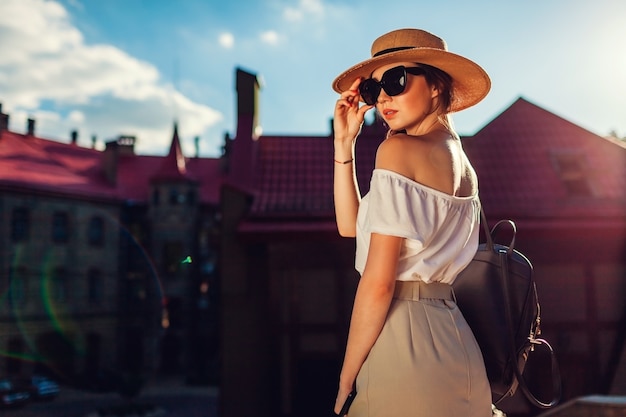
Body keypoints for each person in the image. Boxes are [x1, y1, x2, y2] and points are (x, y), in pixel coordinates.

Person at [331, 28, 492, 417]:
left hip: (402, 343)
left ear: (436, 86)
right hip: (457, 342)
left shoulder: (398, 150)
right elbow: (352, 227)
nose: (383, 96)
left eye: (396, 80)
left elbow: (379, 281)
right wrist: (344, 145)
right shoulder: (462, 164)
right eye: (373, 89)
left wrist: (346, 381)